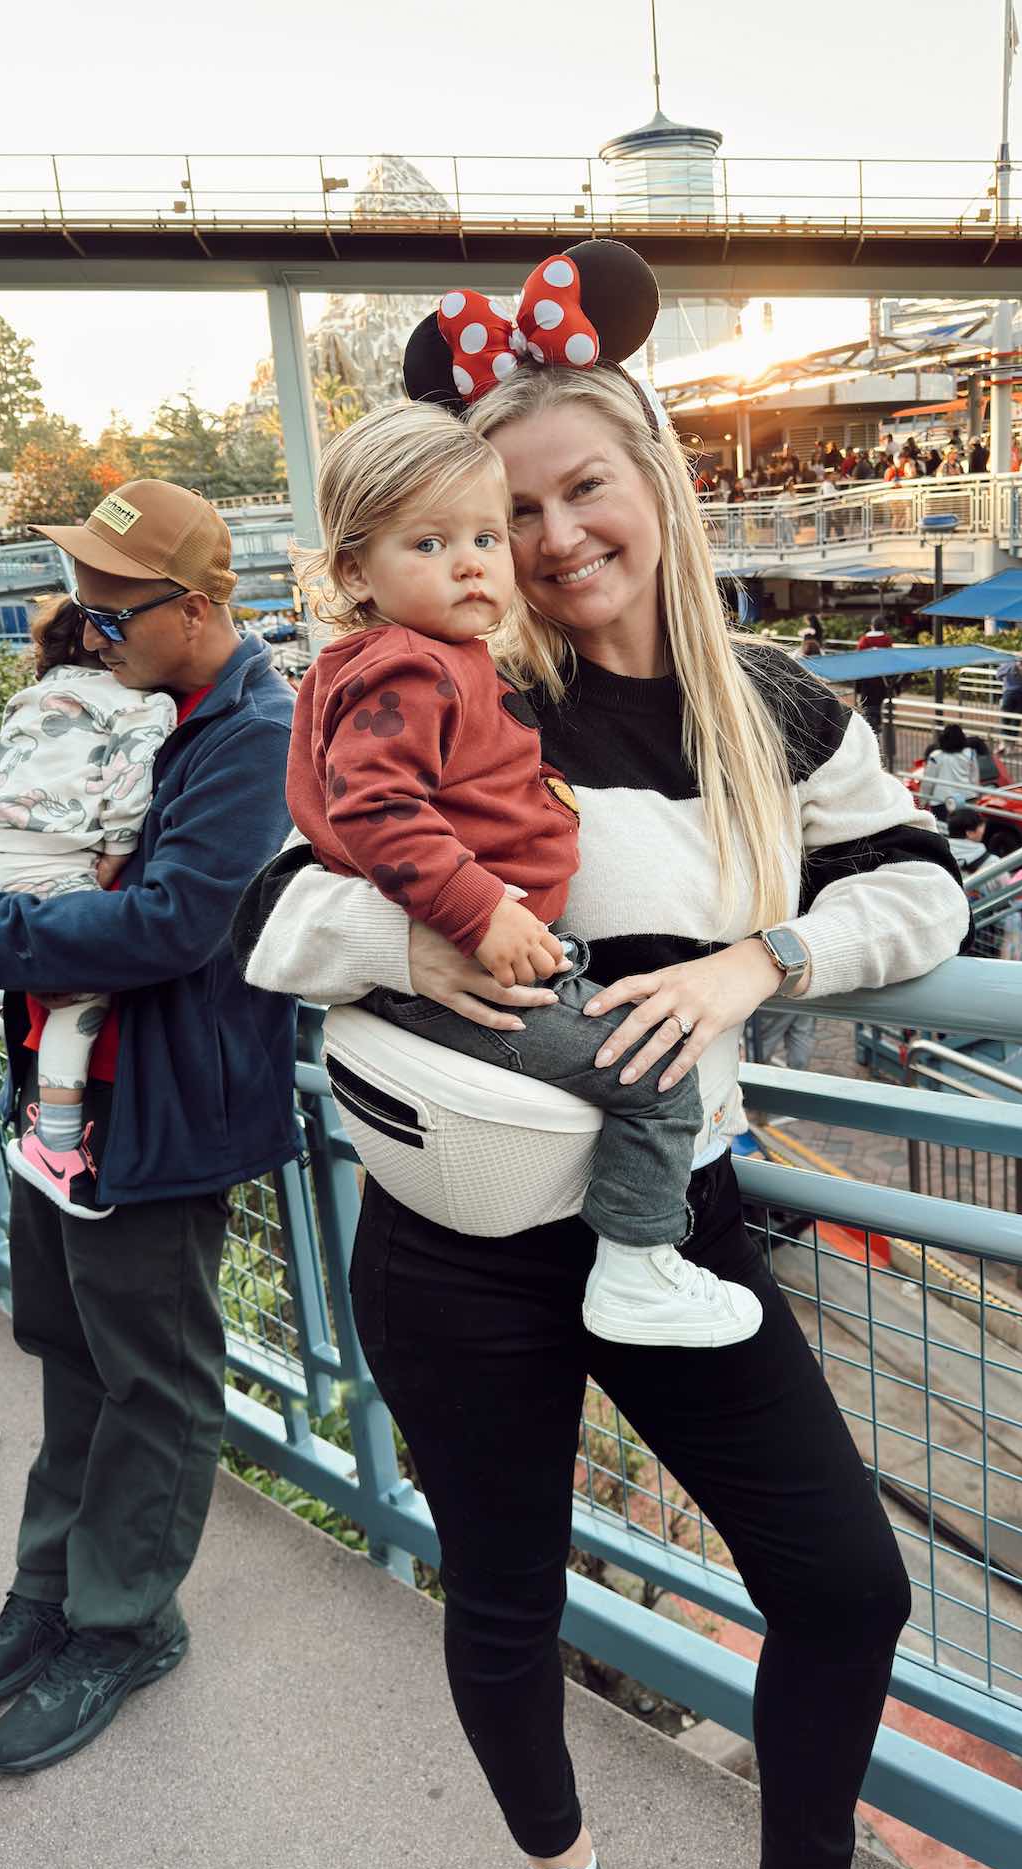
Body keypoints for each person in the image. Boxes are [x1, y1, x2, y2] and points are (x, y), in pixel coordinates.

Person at [234, 241, 970, 1869]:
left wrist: (762, 961)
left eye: (583, 490)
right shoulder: (451, 683)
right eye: (509, 514)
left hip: (671, 1221)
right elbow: (271, 916)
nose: (552, 541)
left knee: (849, 1585)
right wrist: (418, 936)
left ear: (656, 477)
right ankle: (560, 1864)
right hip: (458, 1235)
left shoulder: (776, 712)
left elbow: (926, 890)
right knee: (506, 1593)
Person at [0, 479, 298, 1775]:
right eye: (83, 605)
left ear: (197, 607)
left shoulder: (255, 724)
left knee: (152, 1376)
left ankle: (124, 1619)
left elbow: (172, 922)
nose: (89, 630)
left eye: (113, 609)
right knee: (69, 1352)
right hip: (63, 1091)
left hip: (160, 1110)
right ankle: (50, 1589)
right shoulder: (140, 698)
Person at [286, 401, 757, 1348]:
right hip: (477, 972)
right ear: (353, 571)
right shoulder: (409, 671)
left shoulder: (435, 661)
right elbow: (374, 811)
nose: (471, 562)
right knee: (659, 1074)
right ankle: (638, 1264)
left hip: (497, 968)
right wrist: (478, 912)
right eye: (429, 541)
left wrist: (771, 956)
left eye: (485, 537)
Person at [0, 597, 177, 1218]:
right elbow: (132, 782)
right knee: (86, 991)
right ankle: (54, 1143)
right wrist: (116, 848)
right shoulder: (140, 701)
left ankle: (17, 1022)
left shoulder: (35, 696)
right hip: (50, 856)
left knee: (26, 941)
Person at [918, 721, 981, 816]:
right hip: (967, 798)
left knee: (943, 829)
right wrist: (977, 797)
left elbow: (928, 782)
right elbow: (975, 779)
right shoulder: (970, 753)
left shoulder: (936, 756)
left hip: (942, 801)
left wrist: (922, 802)